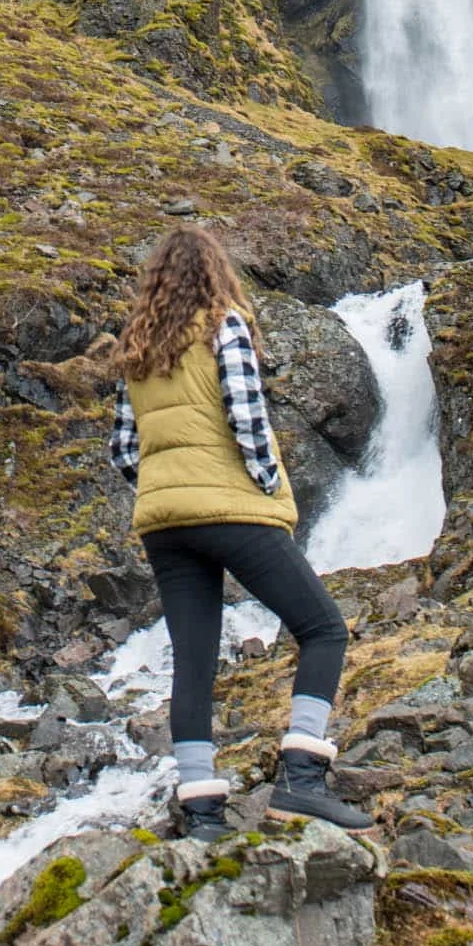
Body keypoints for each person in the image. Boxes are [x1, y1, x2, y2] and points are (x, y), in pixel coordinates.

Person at [108, 225, 371, 841]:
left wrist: (164, 492)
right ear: (216, 275)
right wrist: (268, 483)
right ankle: (303, 778)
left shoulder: (137, 353)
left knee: (193, 663)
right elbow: (248, 419)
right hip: (230, 510)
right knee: (323, 628)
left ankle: (202, 814)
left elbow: (124, 448)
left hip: (164, 524)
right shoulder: (224, 327)